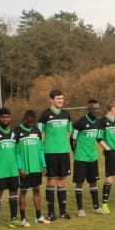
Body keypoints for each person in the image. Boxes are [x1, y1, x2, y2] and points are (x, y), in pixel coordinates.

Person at [39, 89, 72, 221]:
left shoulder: (66, 114)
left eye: (62, 98)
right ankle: (51, 213)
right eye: (58, 98)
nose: (60, 101)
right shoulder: (45, 115)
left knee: (62, 181)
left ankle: (63, 212)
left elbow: (68, 131)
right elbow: (38, 134)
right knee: (51, 180)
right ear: (51, 100)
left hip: (64, 151)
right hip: (50, 152)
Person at [16, 109, 48, 226]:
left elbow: (40, 149)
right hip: (25, 169)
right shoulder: (17, 131)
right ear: (24, 119)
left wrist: (43, 164)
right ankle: (23, 219)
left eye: (33, 122)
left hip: (36, 168)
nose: (31, 124)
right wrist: (19, 167)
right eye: (29, 122)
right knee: (23, 192)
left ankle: (39, 216)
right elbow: (16, 152)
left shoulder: (36, 130)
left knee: (37, 190)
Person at [70, 100, 102, 217]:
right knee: (79, 183)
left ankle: (96, 207)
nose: (95, 111)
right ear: (88, 109)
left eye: (97, 108)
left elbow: (98, 138)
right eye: (93, 108)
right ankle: (80, 209)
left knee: (93, 182)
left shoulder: (98, 123)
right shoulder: (80, 123)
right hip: (81, 158)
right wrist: (76, 152)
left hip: (92, 157)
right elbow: (72, 139)